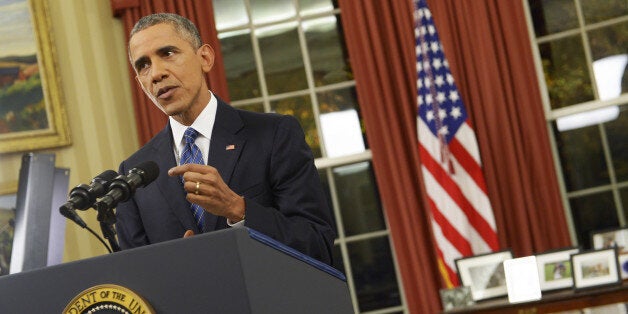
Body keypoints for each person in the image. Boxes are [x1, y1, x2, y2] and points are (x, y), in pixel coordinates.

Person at [114, 13, 336, 265]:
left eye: (167, 53)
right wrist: (176, 267)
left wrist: (238, 209)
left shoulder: (274, 135)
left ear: (205, 58)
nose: (156, 73)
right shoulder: (133, 175)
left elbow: (318, 243)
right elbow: (137, 278)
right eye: (143, 65)